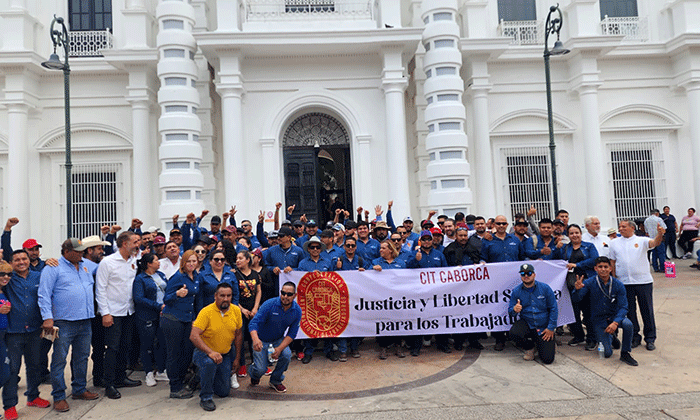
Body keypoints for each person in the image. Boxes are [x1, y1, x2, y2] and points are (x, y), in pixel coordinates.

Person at [38, 238, 100, 412]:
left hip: (85, 320)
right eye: (78, 251)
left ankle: (79, 389)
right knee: (59, 360)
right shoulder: (53, 267)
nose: (82, 253)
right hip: (63, 321)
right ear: (66, 251)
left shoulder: (86, 264)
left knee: (82, 357)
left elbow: (105, 267)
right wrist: (47, 317)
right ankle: (58, 396)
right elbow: (44, 294)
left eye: (82, 251)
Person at [3, 250, 51, 420]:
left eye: (24, 258)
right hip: (13, 332)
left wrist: (52, 262)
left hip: (34, 330)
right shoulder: (7, 279)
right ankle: (9, 406)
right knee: (12, 370)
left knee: (34, 365)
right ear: (11, 262)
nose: (21, 262)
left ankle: (33, 396)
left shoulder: (39, 276)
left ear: (29, 260)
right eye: (16, 260)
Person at [95, 231, 142, 399]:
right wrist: (105, 313)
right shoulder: (107, 262)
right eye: (135, 242)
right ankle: (109, 384)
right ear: (124, 244)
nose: (138, 245)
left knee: (125, 346)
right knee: (113, 348)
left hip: (129, 310)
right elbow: (100, 289)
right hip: (113, 312)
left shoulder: (134, 260)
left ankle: (121, 377)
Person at [609, 220, 665, 351]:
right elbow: (612, 261)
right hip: (624, 282)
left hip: (643, 281)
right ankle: (634, 336)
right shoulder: (614, 243)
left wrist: (660, 234)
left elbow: (655, 243)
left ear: (632, 228)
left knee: (647, 310)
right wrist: (614, 278)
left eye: (624, 226)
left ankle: (650, 338)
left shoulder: (642, 240)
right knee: (629, 311)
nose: (621, 229)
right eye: (620, 227)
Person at [572, 257, 638, 366]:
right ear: (595, 269)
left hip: (614, 316)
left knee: (628, 324)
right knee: (607, 353)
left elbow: (624, 307)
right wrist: (577, 290)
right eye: (600, 267)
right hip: (599, 319)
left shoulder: (618, 284)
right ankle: (611, 338)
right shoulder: (589, 282)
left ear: (611, 269)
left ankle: (625, 353)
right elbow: (577, 299)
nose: (603, 269)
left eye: (606, 267)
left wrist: (616, 322)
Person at [190, 283, 242, 411]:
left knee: (224, 392)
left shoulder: (236, 311)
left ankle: (200, 376)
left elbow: (239, 334)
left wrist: (237, 358)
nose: (225, 299)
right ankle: (205, 398)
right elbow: (193, 335)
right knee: (209, 363)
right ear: (215, 296)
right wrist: (210, 352)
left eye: (228, 296)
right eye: (222, 295)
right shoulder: (206, 312)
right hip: (204, 353)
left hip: (224, 354)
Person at [248, 281, 302, 393]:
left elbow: (292, 334)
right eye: (283, 293)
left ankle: (276, 380)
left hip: (277, 340)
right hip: (261, 339)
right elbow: (253, 323)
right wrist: (255, 339)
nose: (285, 297)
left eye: (289, 294)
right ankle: (254, 373)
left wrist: (279, 348)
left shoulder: (297, 311)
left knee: (286, 355)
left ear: (295, 296)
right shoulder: (269, 304)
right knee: (260, 370)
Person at [161, 250, 200, 399]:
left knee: (187, 352)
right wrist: (177, 294)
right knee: (174, 354)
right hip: (173, 319)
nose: (191, 264)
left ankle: (182, 380)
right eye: (188, 261)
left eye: (194, 261)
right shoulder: (177, 277)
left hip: (187, 319)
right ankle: (175, 387)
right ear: (183, 262)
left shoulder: (196, 276)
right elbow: (166, 299)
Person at [556, 224, 599, 349]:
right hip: (570, 285)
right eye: (571, 233)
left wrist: (577, 265)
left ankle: (591, 338)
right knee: (574, 312)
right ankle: (579, 336)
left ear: (581, 233)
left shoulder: (589, 246)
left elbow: (594, 260)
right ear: (568, 235)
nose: (574, 235)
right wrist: (556, 248)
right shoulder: (565, 248)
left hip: (587, 282)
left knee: (588, 311)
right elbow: (558, 261)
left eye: (577, 233)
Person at [507, 263, 557, 364]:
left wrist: (551, 328)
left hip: (543, 326)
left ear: (534, 274)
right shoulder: (516, 291)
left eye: (529, 273)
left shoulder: (545, 288)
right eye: (523, 273)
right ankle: (529, 347)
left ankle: (544, 344)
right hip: (528, 323)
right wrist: (514, 310)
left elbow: (553, 308)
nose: (526, 276)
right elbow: (510, 312)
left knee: (548, 360)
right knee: (514, 333)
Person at [132, 253, 169, 388]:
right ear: (148, 263)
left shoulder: (161, 275)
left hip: (162, 315)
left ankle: (161, 370)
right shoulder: (140, 279)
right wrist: (157, 306)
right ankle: (148, 372)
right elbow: (139, 298)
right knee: (147, 344)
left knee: (161, 342)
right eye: (156, 260)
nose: (159, 262)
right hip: (147, 315)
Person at [372, 240, 407, 359]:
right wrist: (370, 270)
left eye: (383, 248)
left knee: (397, 322)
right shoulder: (376, 262)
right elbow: (365, 276)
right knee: (383, 322)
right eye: (380, 248)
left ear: (390, 250)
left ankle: (398, 345)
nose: (380, 250)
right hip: (381, 299)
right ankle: (383, 347)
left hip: (397, 298)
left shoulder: (401, 263)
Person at [234, 251, 262, 377]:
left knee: (254, 337)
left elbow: (258, 291)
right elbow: (234, 296)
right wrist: (242, 309)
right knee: (239, 338)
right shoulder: (234, 275)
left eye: (241, 258)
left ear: (247, 260)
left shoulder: (255, 274)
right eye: (237, 258)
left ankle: (258, 363)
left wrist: (255, 308)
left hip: (253, 311)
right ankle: (242, 365)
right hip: (240, 311)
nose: (238, 260)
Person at [196, 250, 237, 314]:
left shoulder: (231, 275)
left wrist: (234, 311)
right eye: (216, 259)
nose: (219, 262)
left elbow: (235, 295)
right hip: (208, 312)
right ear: (210, 261)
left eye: (222, 259)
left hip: (227, 311)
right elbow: (199, 298)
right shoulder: (202, 275)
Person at [0, 262, 12, 399]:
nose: (6, 277)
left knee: (5, 373)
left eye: (9, 274)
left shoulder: (4, 290)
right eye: (2, 274)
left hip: (3, 334)